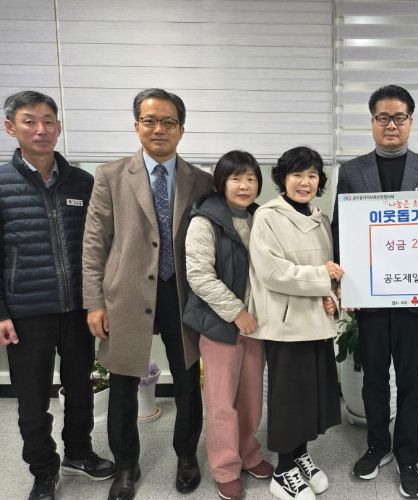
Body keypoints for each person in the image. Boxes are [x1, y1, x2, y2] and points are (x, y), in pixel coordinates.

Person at [82, 88, 213, 500]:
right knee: (123, 382)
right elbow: (94, 243)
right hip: (126, 293)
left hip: (181, 294)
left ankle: (187, 456)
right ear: (136, 125)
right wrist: (94, 302)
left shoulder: (202, 181)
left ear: (181, 129)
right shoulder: (111, 175)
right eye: (150, 120)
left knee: (188, 379)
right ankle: (126, 465)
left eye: (169, 121)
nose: (159, 129)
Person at [331, 84, 418, 498]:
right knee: (374, 377)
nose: (391, 124)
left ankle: (408, 456)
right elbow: (341, 230)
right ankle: (378, 445)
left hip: (415, 297)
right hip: (371, 297)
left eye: (399, 117)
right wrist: (345, 287)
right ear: (373, 122)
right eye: (383, 117)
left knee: (411, 380)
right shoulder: (352, 171)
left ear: (410, 121)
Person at [0, 90, 115, 500]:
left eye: (49, 121)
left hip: (78, 308)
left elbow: (99, 246)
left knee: (81, 387)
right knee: (32, 401)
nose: (41, 129)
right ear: (10, 127)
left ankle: (79, 453)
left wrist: (99, 300)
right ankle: (43, 470)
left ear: (59, 127)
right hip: (26, 311)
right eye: (30, 121)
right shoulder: (2, 183)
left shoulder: (82, 182)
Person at [248, 146, 341, 500]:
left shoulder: (321, 219)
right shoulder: (268, 216)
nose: (305, 182)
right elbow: (272, 272)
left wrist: (331, 297)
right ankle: (283, 470)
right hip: (286, 324)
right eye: (297, 174)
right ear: (282, 179)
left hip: (317, 321)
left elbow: (331, 272)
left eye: (312, 175)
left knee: (311, 396)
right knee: (288, 398)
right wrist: (322, 277)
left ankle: (300, 455)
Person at [184, 150, 273, 500]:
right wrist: (237, 312)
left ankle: (249, 454)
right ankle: (224, 467)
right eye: (236, 178)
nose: (244, 185)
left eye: (251, 178)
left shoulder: (261, 218)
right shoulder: (205, 220)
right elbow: (199, 276)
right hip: (221, 324)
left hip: (256, 325)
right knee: (221, 401)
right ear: (221, 182)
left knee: (251, 396)